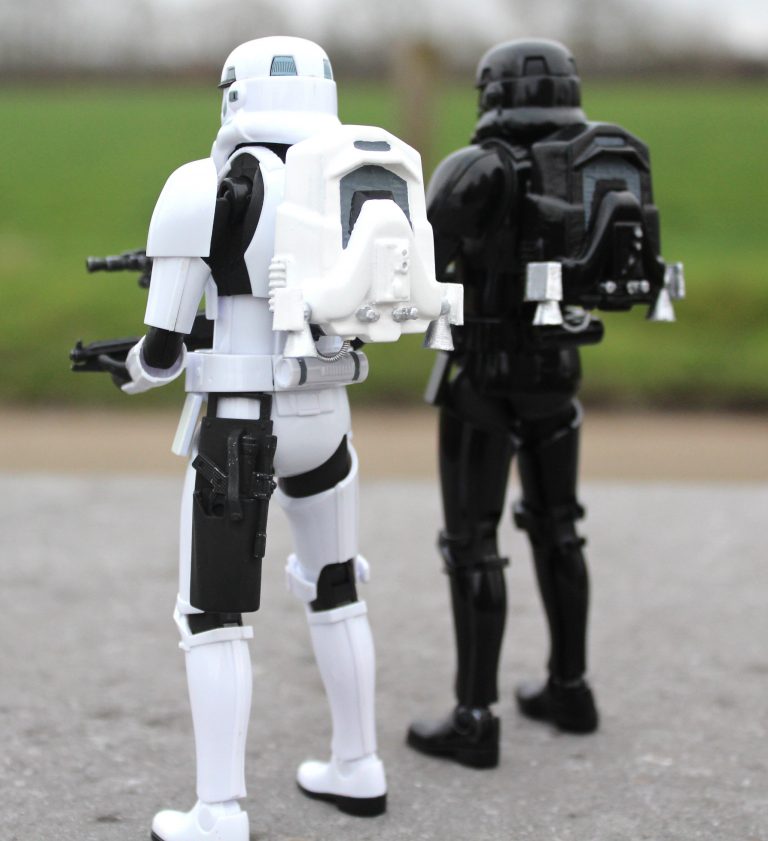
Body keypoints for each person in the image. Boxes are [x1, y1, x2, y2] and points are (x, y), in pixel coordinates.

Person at [110, 36, 459, 841]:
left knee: (213, 614)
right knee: (337, 587)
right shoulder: (359, 176)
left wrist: (130, 366)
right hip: (328, 420)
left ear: (235, 95)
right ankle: (357, 763)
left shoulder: (207, 184)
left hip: (241, 422)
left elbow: (161, 349)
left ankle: (219, 810)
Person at [407, 38, 683, 769]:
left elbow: (417, 264)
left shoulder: (477, 168)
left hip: (482, 374)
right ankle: (571, 688)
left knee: (473, 542)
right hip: (558, 374)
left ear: (491, 95)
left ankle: (475, 717)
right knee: (560, 527)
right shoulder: (598, 161)